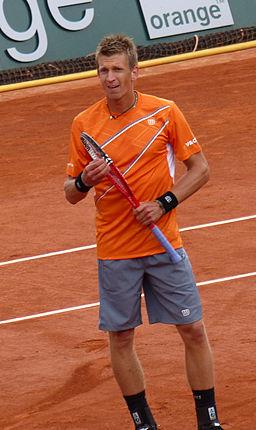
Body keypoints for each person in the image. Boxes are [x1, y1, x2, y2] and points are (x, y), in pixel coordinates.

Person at [64, 33, 223, 430]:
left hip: (165, 244)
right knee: (120, 338)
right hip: (115, 250)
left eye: (117, 69)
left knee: (193, 329)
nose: (109, 77)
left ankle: (209, 421)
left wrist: (165, 203)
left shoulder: (165, 112)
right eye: (103, 70)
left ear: (135, 71)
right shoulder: (84, 123)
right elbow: (70, 193)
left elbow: (200, 169)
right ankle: (144, 424)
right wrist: (84, 180)